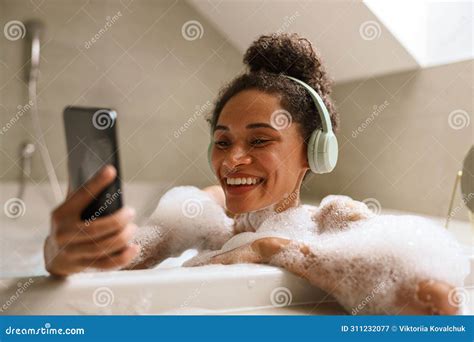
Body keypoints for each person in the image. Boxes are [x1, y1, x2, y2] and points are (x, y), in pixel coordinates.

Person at [43, 33, 466, 315]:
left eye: (260, 141)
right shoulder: (204, 209)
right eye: (223, 141)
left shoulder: (333, 219)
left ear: (314, 153)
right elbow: (124, 258)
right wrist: (62, 253)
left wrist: (271, 249)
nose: (232, 161)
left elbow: (440, 302)